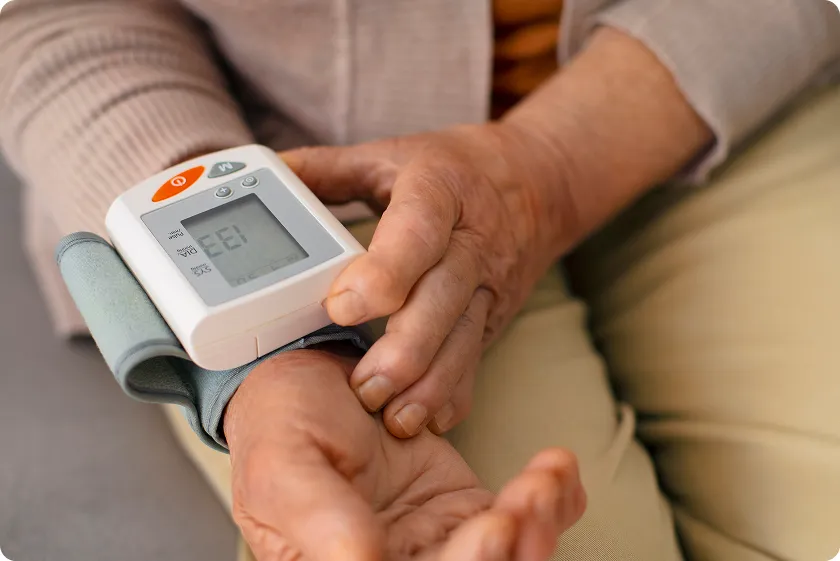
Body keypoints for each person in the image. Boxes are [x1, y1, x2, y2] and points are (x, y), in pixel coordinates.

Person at [1, 0, 839, 559]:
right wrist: (273, 361)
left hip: (702, 92)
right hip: (305, 175)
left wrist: (547, 170)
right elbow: (59, 16)